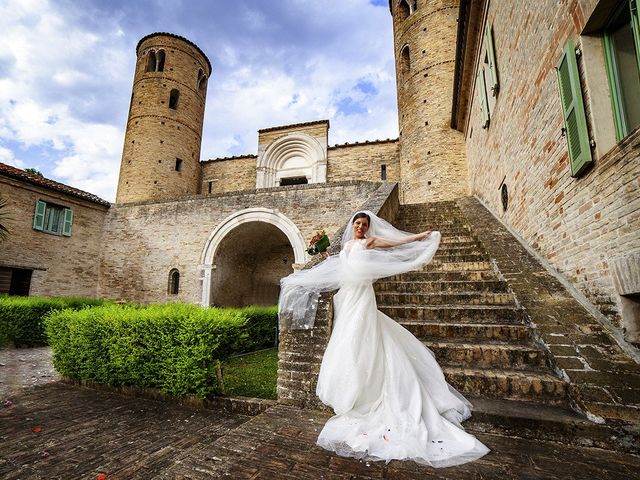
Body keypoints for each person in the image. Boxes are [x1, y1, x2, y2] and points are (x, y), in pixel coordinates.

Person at [279, 211, 489, 468]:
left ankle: (369, 387)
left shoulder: (369, 242)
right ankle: (353, 386)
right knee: (347, 337)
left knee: (362, 334)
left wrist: (421, 236)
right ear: (352, 225)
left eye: (364, 224)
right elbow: (342, 265)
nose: (360, 227)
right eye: (357, 223)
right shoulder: (346, 245)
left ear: (367, 228)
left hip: (363, 295)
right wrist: (324, 255)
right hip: (346, 295)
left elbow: (396, 243)